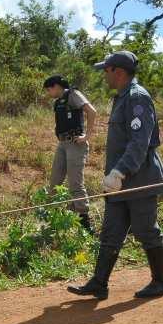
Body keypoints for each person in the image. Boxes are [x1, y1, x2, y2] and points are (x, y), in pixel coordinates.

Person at [68, 50, 163, 300]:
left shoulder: (137, 98)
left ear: (120, 72)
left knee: (145, 229)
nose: (105, 74)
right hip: (119, 182)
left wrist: (119, 171)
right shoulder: (122, 98)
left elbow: (139, 142)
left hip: (139, 179)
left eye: (107, 70)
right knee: (112, 231)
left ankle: (162, 281)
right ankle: (99, 283)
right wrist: (114, 175)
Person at [44, 75, 96, 233]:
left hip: (75, 144)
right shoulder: (58, 102)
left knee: (75, 183)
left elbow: (92, 111)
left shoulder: (73, 94)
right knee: (54, 182)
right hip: (62, 144)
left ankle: (84, 222)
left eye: (49, 89)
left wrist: (87, 136)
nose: (48, 93)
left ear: (56, 86)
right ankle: (51, 220)